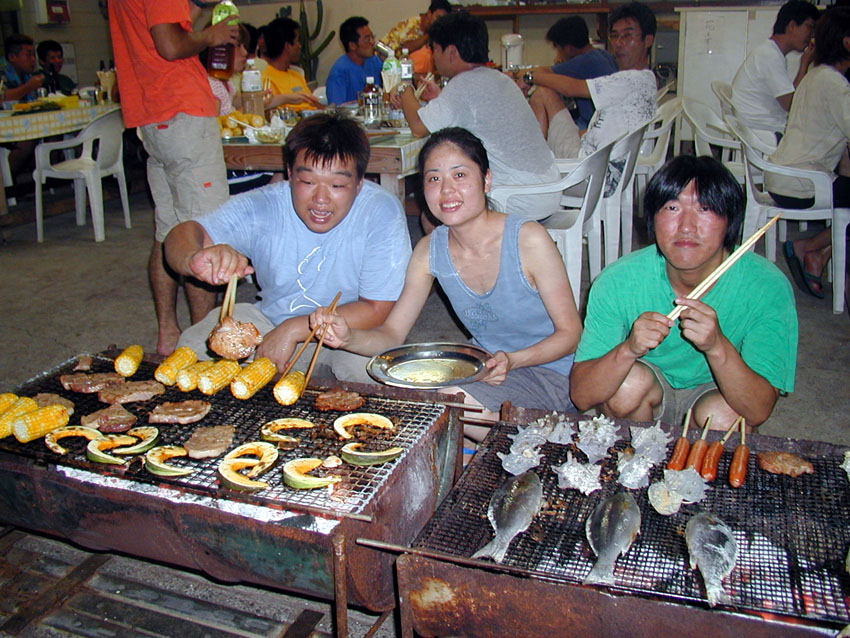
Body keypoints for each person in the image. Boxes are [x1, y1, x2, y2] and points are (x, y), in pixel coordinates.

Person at [310, 127, 581, 450]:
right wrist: (348, 337)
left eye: (460, 175)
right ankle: (490, 446)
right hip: (484, 369)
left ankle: (536, 446)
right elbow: (392, 335)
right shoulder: (429, 250)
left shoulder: (528, 239)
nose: (447, 190)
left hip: (551, 373)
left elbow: (571, 334)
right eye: (434, 178)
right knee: (418, 405)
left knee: (447, 405)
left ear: (487, 180)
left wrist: (513, 360)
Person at [164, 112, 412, 379]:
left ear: (360, 183)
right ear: (290, 174)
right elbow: (183, 234)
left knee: (376, 376)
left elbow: (377, 309)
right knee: (193, 346)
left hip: (349, 332)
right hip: (269, 322)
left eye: (337, 184)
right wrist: (194, 258)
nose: (321, 199)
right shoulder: (264, 205)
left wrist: (293, 329)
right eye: (307, 181)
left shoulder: (380, 211)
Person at [570, 155, 798, 431]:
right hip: (649, 391)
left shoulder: (767, 286)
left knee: (725, 417)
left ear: (730, 221)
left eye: (705, 208)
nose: (687, 226)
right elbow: (582, 396)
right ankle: (638, 455)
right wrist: (629, 348)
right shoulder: (618, 280)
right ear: (652, 218)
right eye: (672, 207)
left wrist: (717, 346)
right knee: (627, 387)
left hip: (718, 391)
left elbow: (758, 411)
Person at [109, 0, 239, 356]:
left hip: (152, 113)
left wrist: (198, 10)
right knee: (204, 234)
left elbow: (172, 28)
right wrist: (212, 35)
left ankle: (169, 332)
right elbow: (170, 45)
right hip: (181, 107)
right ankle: (204, 345)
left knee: (168, 231)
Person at [394, 11, 561, 223]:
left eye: (434, 49)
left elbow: (418, 127)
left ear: (452, 52)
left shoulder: (464, 85)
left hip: (518, 197)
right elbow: (473, 108)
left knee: (433, 217)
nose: (433, 57)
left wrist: (404, 88)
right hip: (548, 188)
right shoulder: (498, 78)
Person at [767, 6, 850, 300]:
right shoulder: (835, 84)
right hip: (801, 184)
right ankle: (810, 247)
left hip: (784, 177)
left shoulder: (817, 76)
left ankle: (820, 254)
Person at [517, 2, 658, 161]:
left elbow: (571, 88)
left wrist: (530, 77)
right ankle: (534, 164)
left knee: (543, 94)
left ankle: (532, 166)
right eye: (614, 36)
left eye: (627, 35)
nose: (619, 43)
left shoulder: (631, 80)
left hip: (588, 166)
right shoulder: (646, 79)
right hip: (599, 156)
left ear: (648, 40)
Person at [731, 0, 819, 145]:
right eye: (810, 26)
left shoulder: (771, 52)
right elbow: (791, 104)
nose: (811, 34)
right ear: (792, 26)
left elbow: (789, 98)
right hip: (765, 134)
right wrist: (804, 64)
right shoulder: (770, 55)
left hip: (764, 129)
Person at [522, 16, 617, 141]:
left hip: (591, 129)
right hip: (602, 126)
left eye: (558, 49)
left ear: (568, 49)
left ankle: (536, 147)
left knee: (542, 94)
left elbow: (546, 73)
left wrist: (521, 75)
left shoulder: (585, 61)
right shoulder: (603, 55)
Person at [261, 16, 323, 111]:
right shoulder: (266, 80)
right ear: (288, 46)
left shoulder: (297, 75)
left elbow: (314, 105)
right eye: (297, 41)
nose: (300, 46)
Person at [382, 0, 451, 76]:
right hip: (386, 63)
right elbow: (405, 49)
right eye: (438, 17)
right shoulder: (413, 24)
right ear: (429, 14)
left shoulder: (438, 30)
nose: (440, 22)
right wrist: (429, 35)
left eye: (443, 20)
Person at [326, 17, 383, 104]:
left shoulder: (374, 61)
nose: (373, 42)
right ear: (352, 45)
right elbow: (336, 108)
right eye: (367, 39)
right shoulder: (339, 72)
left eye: (373, 37)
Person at [0, 34, 44, 102]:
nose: (33, 59)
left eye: (34, 55)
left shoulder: (27, 74)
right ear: (12, 57)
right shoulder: (2, 72)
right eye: (28, 55)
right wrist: (28, 87)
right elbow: (1, 98)